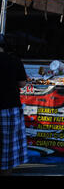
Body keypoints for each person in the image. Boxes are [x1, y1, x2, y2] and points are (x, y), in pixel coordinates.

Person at [0, 34, 28, 175]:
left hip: (8, 106)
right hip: (9, 107)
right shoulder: (13, 60)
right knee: (7, 147)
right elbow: (22, 83)